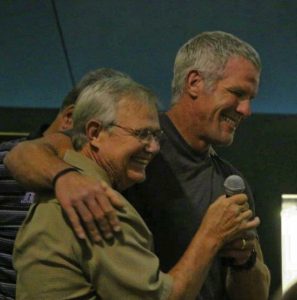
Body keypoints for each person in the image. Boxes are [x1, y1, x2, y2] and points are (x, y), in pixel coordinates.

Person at [5, 31, 270, 299]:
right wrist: (66, 178)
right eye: (237, 93)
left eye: (251, 99)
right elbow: (22, 155)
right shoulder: (122, 142)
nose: (246, 110)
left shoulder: (231, 183)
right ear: (194, 82)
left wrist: (244, 260)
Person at [0, 68, 126, 299]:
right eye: (97, 129)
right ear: (69, 118)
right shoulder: (3, 162)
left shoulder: (109, 172)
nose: (101, 139)